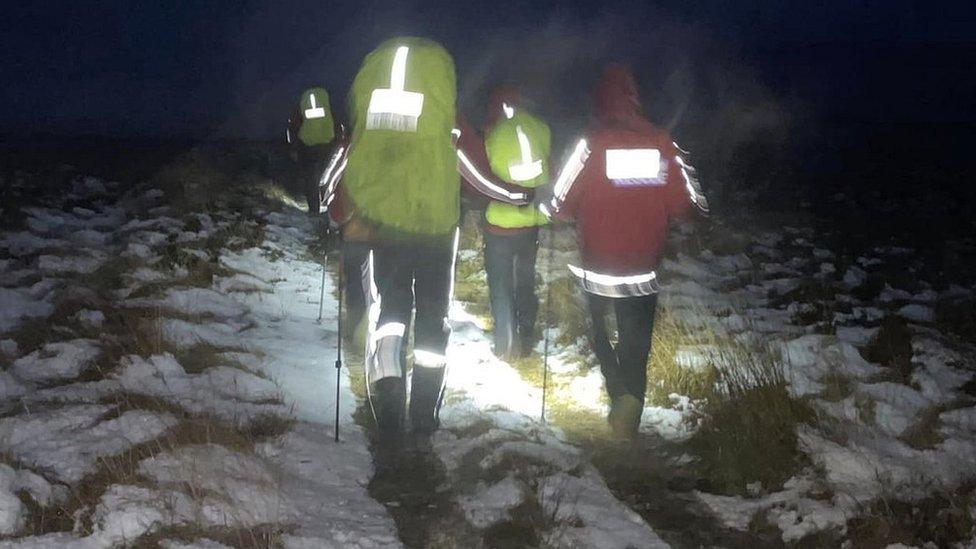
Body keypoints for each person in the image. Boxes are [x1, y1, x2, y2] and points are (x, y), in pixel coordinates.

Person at [321, 37, 531, 439]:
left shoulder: (371, 117)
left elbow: (342, 166)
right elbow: (476, 171)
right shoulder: (444, 119)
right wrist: (518, 195)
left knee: (388, 314)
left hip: (385, 230)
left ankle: (387, 401)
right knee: (434, 319)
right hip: (437, 233)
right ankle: (424, 414)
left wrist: (332, 209)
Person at [541, 63, 708, 439]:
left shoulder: (590, 143)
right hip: (642, 268)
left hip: (597, 266)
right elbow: (686, 204)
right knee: (637, 342)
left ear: (599, 100)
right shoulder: (661, 142)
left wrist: (552, 210)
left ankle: (618, 393)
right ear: (635, 97)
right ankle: (630, 404)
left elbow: (562, 202)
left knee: (600, 333)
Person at [480, 94, 551, 360]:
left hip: (500, 222)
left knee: (499, 282)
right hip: (530, 223)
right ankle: (526, 333)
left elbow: (485, 176)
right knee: (525, 278)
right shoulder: (542, 129)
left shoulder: (493, 134)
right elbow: (547, 168)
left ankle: (506, 339)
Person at [286, 86, 341, 214]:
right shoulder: (327, 107)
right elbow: (337, 124)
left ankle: (314, 209)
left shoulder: (301, 108)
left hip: (307, 147)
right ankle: (329, 206)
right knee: (328, 176)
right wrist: (338, 142)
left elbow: (293, 127)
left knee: (311, 179)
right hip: (328, 146)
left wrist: (293, 147)